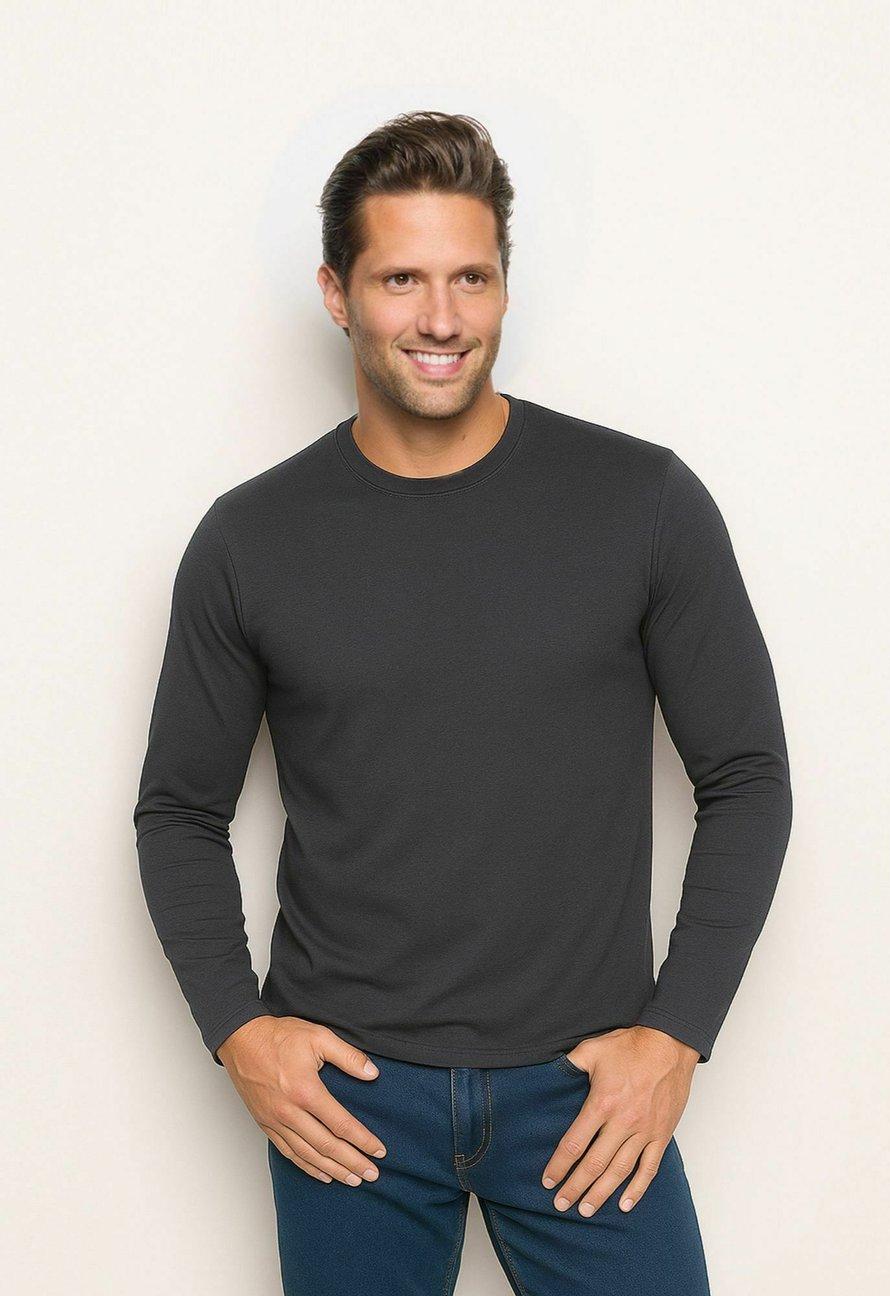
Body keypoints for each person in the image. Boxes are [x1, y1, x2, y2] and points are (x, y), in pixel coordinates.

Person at [133, 110, 792, 1295]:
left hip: (584, 1094)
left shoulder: (641, 503)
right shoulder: (250, 540)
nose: (441, 318)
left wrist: (676, 1035)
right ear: (338, 294)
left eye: (470, 279)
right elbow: (178, 811)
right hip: (351, 1106)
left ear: (503, 288)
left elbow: (747, 778)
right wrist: (241, 1033)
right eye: (401, 279)